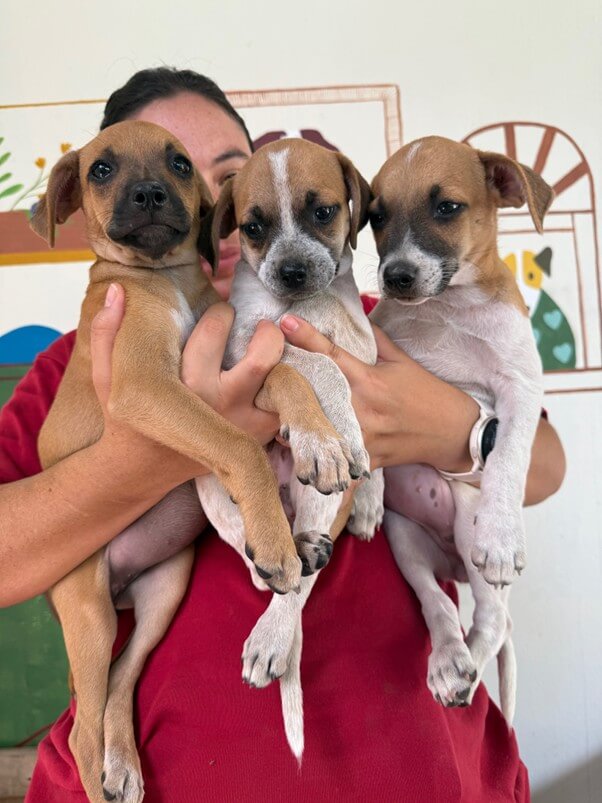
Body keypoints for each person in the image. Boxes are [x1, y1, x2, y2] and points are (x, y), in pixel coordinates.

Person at [0, 68, 565, 801]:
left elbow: (545, 467)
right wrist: (159, 455)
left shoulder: (381, 316)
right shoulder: (80, 359)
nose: (201, 203)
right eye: (246, 213)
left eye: (211, 176)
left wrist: (450, 431)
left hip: (422, 760)